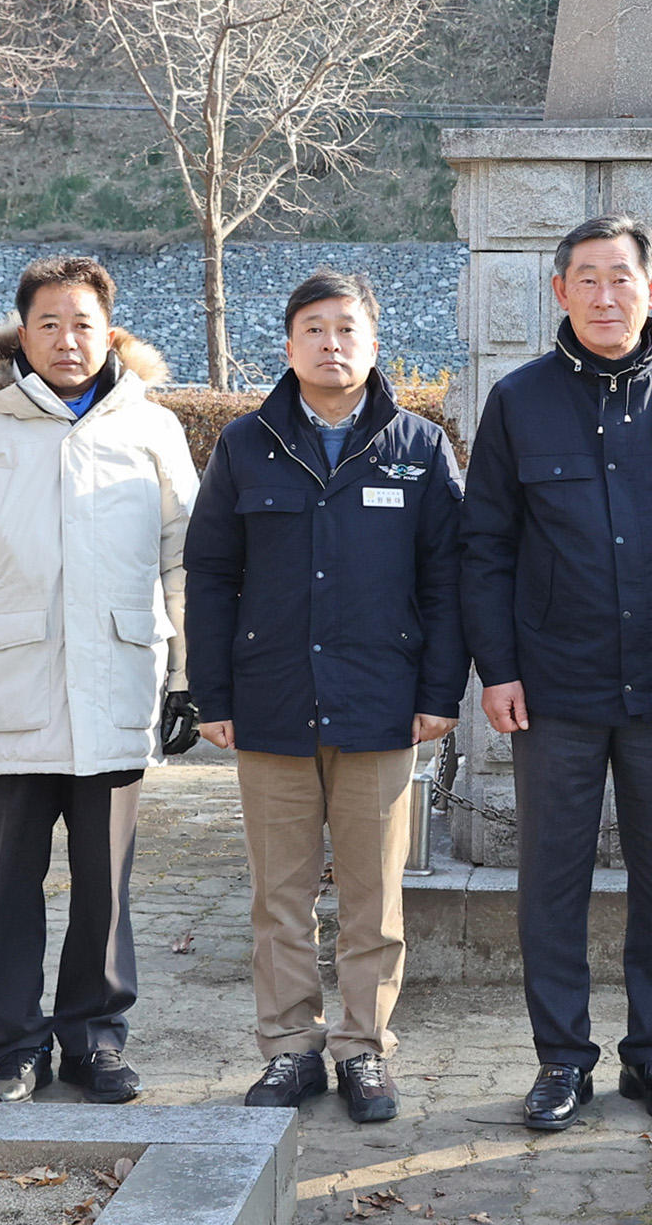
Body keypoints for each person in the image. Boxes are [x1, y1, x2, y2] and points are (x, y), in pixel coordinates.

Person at [0, 255, 200, 1105]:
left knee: (105, 885)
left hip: (118, 684)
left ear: (111, 332)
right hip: (9, 690)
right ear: (21, 334)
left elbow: (188, 562)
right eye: (49, 324)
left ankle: (94, 1041)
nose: (68, 341)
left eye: (83, 324)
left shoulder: (152, 429)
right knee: (11, 886)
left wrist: (193, 678)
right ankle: (14, 1049)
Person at [183, 268, 466, 1126]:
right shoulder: (245, 445)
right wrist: (211, 693)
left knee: (375, 895)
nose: (331, 344)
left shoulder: (419, 447)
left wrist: (440, 691)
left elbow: (447, 579)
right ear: (289, 345)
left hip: (383, 702)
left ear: (374, 344)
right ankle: (290, 1048)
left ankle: (363, 1048)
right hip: (270, 700)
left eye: (347, 329)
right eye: (314, 329)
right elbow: (211, 575)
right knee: (281, 893)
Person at [462, 214, 652, 1131]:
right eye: (587, 279)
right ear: (559, 291)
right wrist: (498, 669)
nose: (606, 296)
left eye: (622, 278)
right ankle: (561, 1059)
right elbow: (485, 546)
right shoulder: (518, 401)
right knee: (551, 880)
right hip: (553, 688)